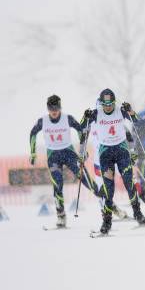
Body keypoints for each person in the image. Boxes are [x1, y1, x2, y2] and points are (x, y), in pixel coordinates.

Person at [29, 95, 120, 227]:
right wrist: (33, 153)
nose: (54, 111)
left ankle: (110, 206)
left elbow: (81, 130)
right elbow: (33, 133)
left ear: (60, 107)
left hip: (69, 153)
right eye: (51, 108)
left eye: (56, 108)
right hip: (53, 156)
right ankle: (61, 216)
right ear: (48, 108)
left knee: (87, 181)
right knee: (57, 184)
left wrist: (82, 150)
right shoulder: (43, 121)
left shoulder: (68, 118)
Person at [81, 89, 145, 234]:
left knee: (129, 183)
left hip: (122, 151)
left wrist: (130, 111)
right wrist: (84, 117)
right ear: (101, 103)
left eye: (111, 104)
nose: (108, 107)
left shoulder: (120, 111)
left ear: (114, 102)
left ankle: (138, 213)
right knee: (109, 190)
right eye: (105, 104)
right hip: (105, 154)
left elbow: (137, 121)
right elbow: (82, 126)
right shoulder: (96, 113)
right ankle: (107, 222)